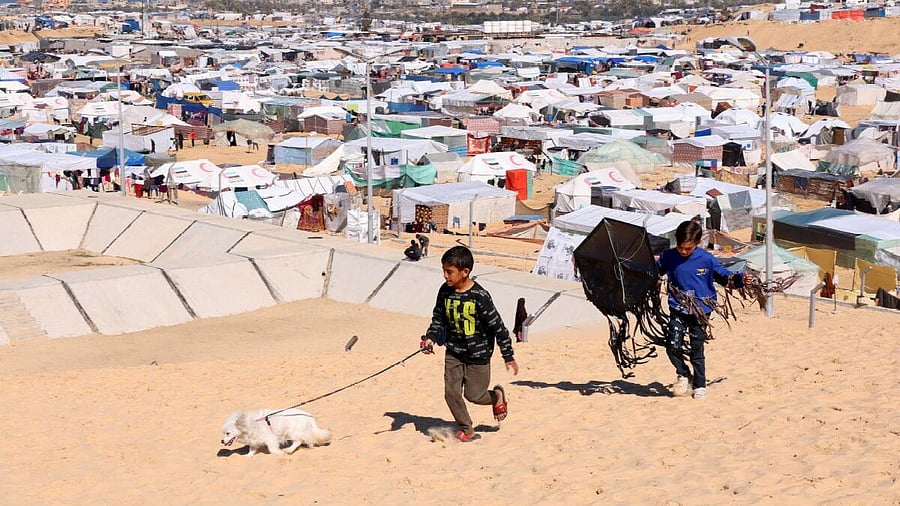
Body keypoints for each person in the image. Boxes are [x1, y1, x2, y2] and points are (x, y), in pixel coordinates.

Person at [420, 246, 519, 442]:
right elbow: (438, 318)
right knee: (451, 393)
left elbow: (498, 327)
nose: (445, 276)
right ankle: (467, 428)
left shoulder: (480, 296)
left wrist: (508, 356)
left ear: (465, 272)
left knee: (474, 395)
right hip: (454, 352)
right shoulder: (444, 291)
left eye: (449, 271)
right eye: (444, 270)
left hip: (478, 355)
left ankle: (497, 395)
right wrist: (430, 337)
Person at [656, 220, 750, 400]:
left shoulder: (707, 259)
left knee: (696, 348)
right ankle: (683, 374)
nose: (683, 251)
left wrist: (740, 280)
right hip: (678, 307)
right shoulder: (668, 256)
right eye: (681, 248)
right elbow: (654, 272)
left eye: (688, 248)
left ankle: (699, 385)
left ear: (697, 244)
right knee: (672, 345)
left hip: (701, 310)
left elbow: (725, 278)